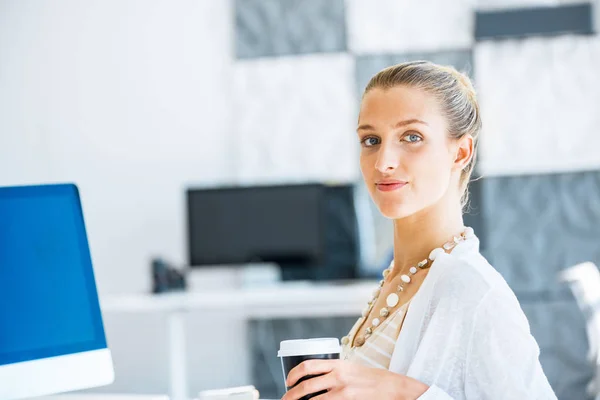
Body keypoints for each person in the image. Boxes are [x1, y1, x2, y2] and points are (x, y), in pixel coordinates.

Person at [281, 61, 557, 399]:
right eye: (371, 140)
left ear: (461, 151)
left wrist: (403, 392)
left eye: (412, 137)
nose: (383, 163)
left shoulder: (474, 291)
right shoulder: (399, 278)